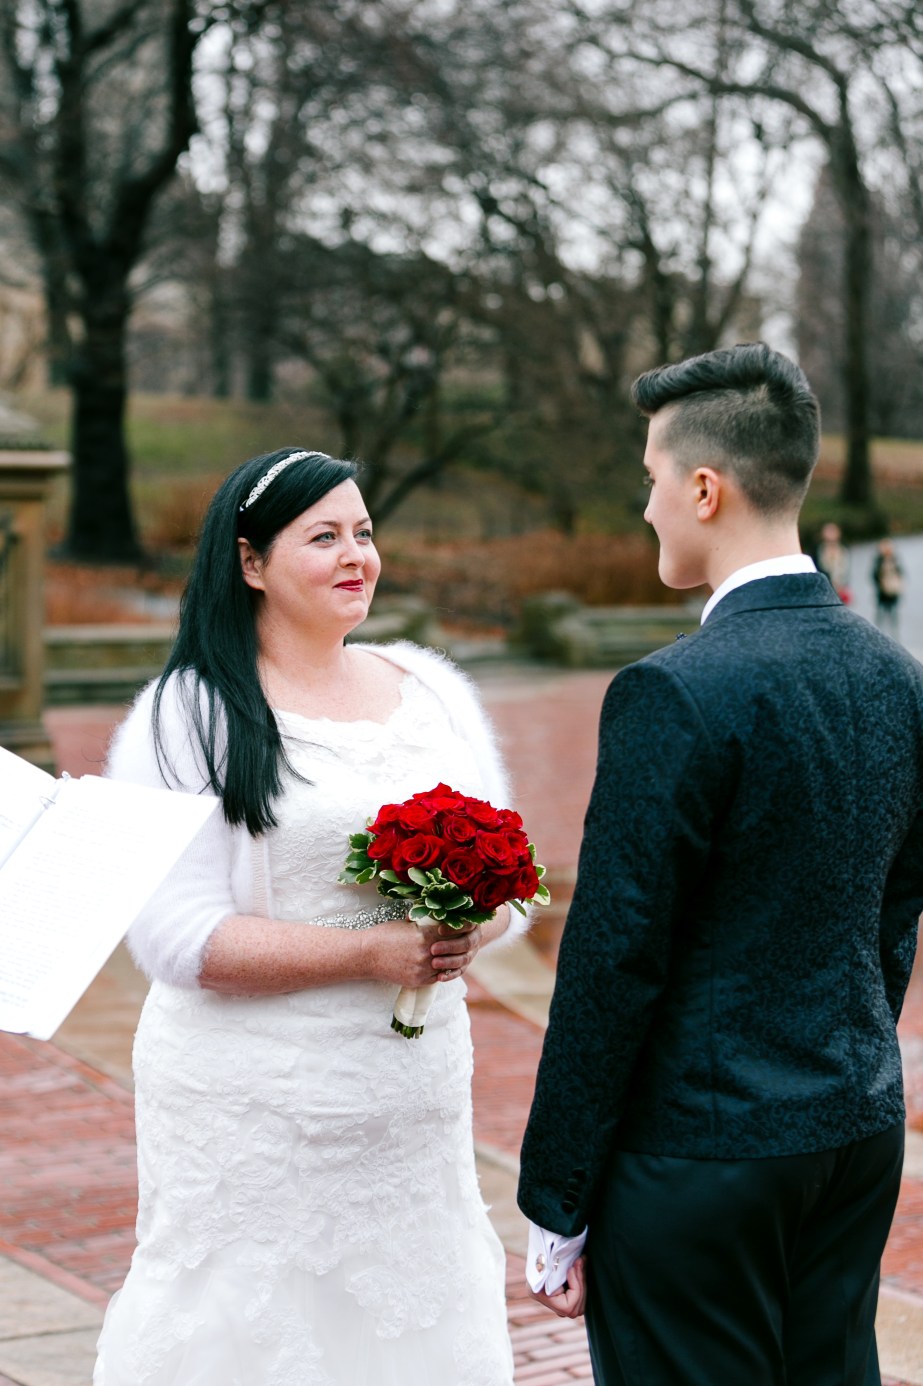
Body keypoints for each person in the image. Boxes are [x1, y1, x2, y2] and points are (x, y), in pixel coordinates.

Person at [516, 344, 923, 1385]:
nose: (645, 506)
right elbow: (893, 910)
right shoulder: (897, 676)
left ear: (704, 489)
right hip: (853, 1131)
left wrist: (556, 1198)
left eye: (651, 479)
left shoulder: (672, 690)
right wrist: (844, 1058)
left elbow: (614, 957)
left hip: (698, 1154)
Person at [93, 447, 522, 1385]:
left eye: (363, 532)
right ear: (250, 562)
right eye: (323, 536)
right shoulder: (188, 713)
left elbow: (511, 882)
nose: (355, 555)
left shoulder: (431, 689)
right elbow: (175, 937)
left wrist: (463, 926)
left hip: (409, 1107)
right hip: (251, 1107)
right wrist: (370, 954)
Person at [873, 538, 905, 637]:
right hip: (882, 593)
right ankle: (879, 635)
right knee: (881, 616)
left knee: (893, 616)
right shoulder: (878, 561)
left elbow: (901, 574)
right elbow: (874, 576)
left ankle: (895, 636)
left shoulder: (895, 559)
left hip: (893, 592)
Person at [815, 518, 852, 601]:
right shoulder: (818, 550)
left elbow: (846, 570)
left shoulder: (844, 549)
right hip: (824, 589)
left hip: (841, 588)